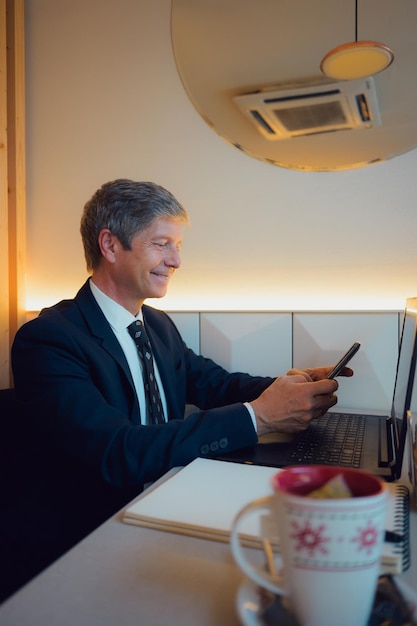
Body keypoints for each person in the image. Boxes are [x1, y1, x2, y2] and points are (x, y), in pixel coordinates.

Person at [9, 179, 351, 585]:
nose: (176, 261)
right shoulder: (49, 339)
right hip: (93, 536)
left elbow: (216, 385)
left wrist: (288, 387)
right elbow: (116, 452)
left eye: (178, 246)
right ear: (110, 245)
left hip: (172, 497)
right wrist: (260, 417)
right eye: (161, 244)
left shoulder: (156, 324)